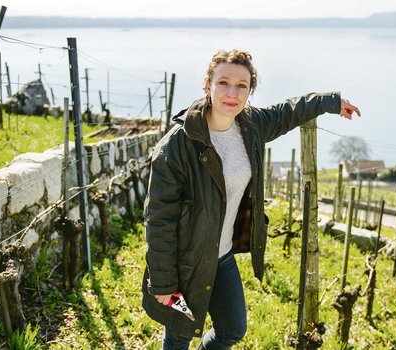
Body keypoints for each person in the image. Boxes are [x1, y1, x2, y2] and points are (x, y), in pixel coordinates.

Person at [142, 49, 360, 350]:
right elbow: (158, 218)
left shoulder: (250, 125)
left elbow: (288, 111)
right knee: (179, 338)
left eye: (242, 85)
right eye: (224, 83)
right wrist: (164, 283)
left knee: (233, 329)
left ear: (250, 90)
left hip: (222, 256)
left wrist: (331, 103)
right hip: (185, 262)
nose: (232, 93)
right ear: (208, 85)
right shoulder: (178, 144)